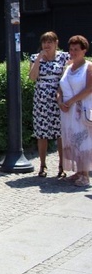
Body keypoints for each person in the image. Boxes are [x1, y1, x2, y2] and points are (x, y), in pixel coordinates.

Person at [29, 31, 69, 178]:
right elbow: (32, 78)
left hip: (59, 98)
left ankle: (61, 165)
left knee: (61, 134)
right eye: (45, 42)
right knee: (41, 133)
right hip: (41, 100)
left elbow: (69, 74)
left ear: (56, 43)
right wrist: (39, 58)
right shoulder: (35, 58)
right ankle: (42, 165)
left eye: (50, 41)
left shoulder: (64, 57)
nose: (47, 44)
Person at [57, 35, 92, 187]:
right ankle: (78, 171)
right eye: (71, 49)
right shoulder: (68, 67)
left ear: (84, 50)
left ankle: (85, 175)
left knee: (83, 140)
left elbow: (89, 88)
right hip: (67, 111)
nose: (73, 52)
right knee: (72, 139)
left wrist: (70, 101)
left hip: (81, 108)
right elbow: (60, 87)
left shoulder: (89, 67)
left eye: (76, 49)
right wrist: (60, 101)